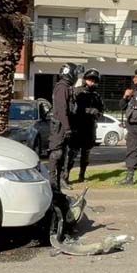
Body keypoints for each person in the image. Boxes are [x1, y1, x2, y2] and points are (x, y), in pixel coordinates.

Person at [67, 69, 104, 183]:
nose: (91, 83)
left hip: (89, 127)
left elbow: (101, 110)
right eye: (90, 80)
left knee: (86, 154)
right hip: (77, 127)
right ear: (85, 80)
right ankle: (65, 176)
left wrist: (97, 113)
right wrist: (88, 110)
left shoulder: (96, 96)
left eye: (94, 81)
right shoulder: (77, 92)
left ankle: (81, 176)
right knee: (72, 153)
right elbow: (72, 109)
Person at [47, 63, 78, 193]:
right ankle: (53, 185)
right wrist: (67, 127)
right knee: (57, 154)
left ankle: (58, 185)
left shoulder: (66, 87)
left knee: (62, 155)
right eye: (75, 73)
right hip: (59, 127)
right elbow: (62, 109)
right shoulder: (62, 87)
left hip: (62, 127)